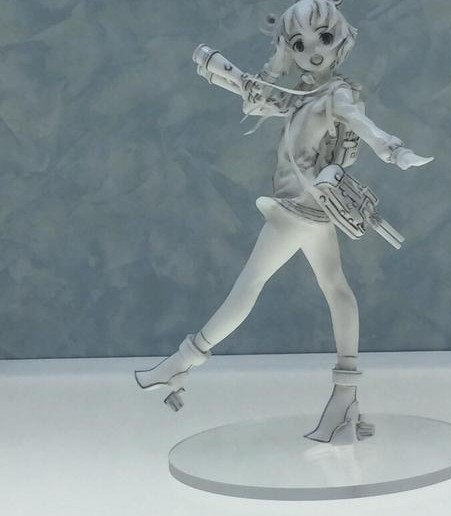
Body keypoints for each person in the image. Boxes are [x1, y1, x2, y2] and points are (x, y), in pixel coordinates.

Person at [135, 0, 433, 445]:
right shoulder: (305, 94)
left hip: (298, 209)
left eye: (324, 38)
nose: (313, 51)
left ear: (340, 40)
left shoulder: (335, 94)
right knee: (336, 289)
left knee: (249, 287)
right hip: (313, 208)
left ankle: (181, 364)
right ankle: (346, 398)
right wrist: (228, 75)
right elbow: (260, 98)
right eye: (299, 43)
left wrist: (395, 151)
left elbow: (362, 124)